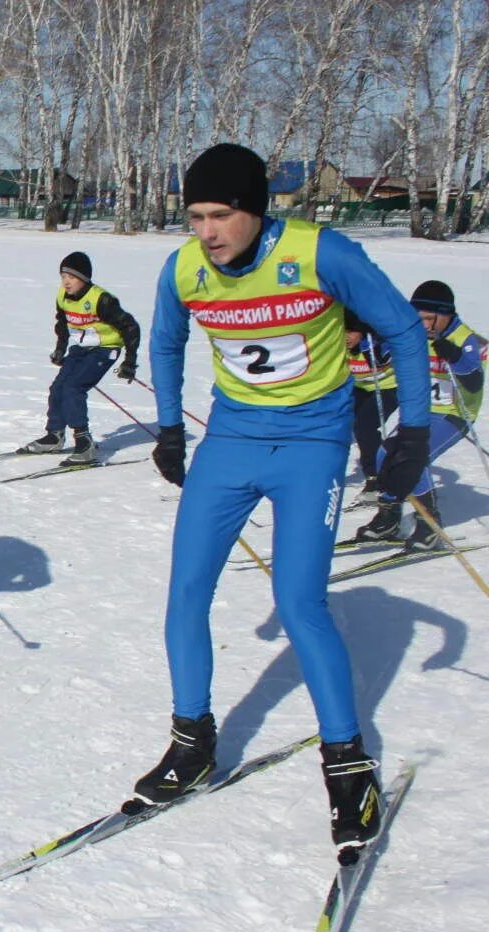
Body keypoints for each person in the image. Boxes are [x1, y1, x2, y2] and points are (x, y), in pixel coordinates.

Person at [132, 143, 432, 862]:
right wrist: (172, 425)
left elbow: (400, 326)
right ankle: (192, 744)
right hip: (230, 444)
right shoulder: (184, 268)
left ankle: (348, 766)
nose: (207, 231)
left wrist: (413, 429)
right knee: (184, 596)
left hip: (312, 448)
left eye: (221, 214)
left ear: (254, 209)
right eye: (196, 215)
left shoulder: (320, 252)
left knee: (300, 604)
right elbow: (168, 342)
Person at [353, 280, 484, 550]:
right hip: (420, 412)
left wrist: (453, 355)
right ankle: (389, 517)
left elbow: (473, 382)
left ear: (445, 314)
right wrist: (370, 344)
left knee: (415, 458)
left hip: (453, 414)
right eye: (418, 317)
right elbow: (381, 358)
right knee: (383, 454)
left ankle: (429, 526)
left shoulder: (465, 338)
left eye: (428, 318)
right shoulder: (414, 334)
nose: (422, 324)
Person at [17, 252, 142, 464]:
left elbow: (131, 327)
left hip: (105, 349)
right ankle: (54, 435)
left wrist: (129, 361)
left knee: (73, 388)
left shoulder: (101, 299)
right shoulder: (62, 297)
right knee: (58, 388)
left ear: (84, 279)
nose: (66, 281)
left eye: (72, 277)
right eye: (63, 276)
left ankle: (84, 443)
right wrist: (60, 349)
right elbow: (62, 325)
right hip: (81, 349)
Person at [344, 309, 398, 501]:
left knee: (365, 425)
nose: (346, 337)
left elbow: (382, 363)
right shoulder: (339, 344)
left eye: (351, 332)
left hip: (387, 387)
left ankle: (376, 477)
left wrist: (368, 346)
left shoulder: (378, 341)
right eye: (343, 330)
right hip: (360, 387)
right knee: (340, 422)